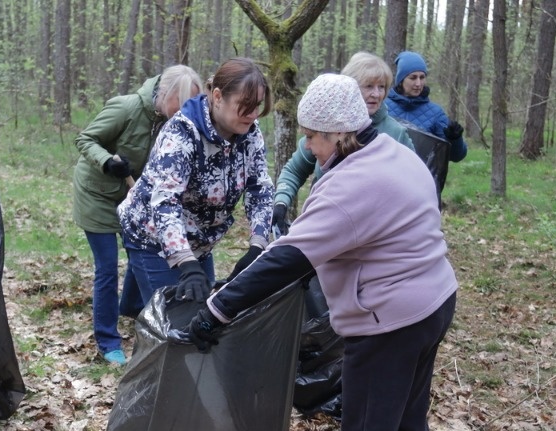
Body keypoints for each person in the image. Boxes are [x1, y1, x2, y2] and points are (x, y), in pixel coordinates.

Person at [184, 74, 458, 431]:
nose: (308, 146)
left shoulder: (354, 183)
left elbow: (289, 258)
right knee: (404, 415)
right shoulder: (396, 153)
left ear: (337, 133)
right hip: (434, 299)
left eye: (312, 136)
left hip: (390, 319)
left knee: (368, 426)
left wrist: (218, 309)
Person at [118, 57, 275, 308]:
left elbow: (260, 187)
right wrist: (186, 263)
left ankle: (134, 309)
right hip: (152, 236)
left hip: (200, 240)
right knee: (177, 320)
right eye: (244, 106)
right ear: (217, 96)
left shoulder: (250, 133)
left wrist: (258, 244)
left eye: (257, 105)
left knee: (204, 310)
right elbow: (166, 201)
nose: (253, 114)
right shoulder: (181, 132)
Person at [73, 65, 202, 366]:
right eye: (180, 104)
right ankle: (107, 341)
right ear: (166, 94)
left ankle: (130, 305)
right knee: (107, 267)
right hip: (99, 196)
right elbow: (85, 139)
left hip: (135, 199)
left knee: (140, 250)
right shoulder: (126, 107)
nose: (184, 112)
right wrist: (107, 162)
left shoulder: (173, 123)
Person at [272, 52, 415, 232]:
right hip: (322, 223)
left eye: (382, 87)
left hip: (371, 233)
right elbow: (294, 170)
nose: (376, 94)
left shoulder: (396, 134)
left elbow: (412, 188)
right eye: (369, 86)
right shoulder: (325, 127)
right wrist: (281, 202)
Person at [385, 51, 467, 163]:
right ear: (401, 80)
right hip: (386, 175)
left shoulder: (435, 113)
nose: (418, 83)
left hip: (419, 177)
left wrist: (455, 139)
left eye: (422, 77)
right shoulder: (383, 107)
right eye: (413, 78)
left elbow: (456, 157)